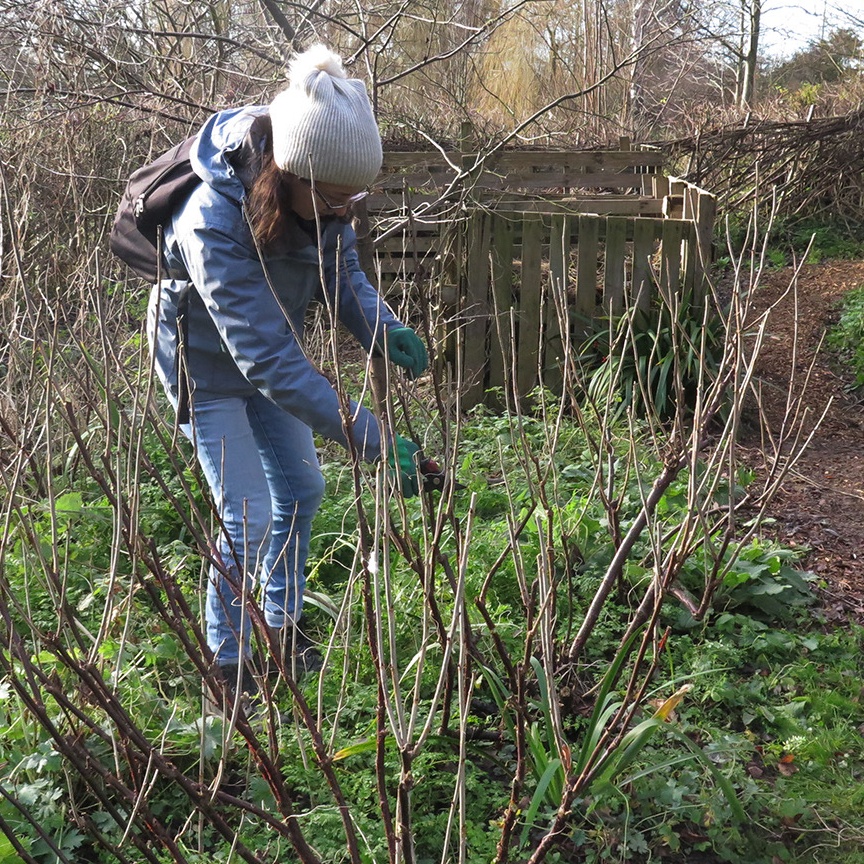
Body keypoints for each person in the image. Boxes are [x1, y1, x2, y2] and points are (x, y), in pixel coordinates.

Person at [146, 43, 427, 700]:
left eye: (353, 197)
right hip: (207, 373)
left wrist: (384, 328)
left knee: (301, 491)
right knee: (249, 517)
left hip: (266, 367)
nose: (346, 209)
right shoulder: (211, 219)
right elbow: (268, 359)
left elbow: (343, 274)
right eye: (334, 197)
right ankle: (231, 661)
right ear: (290, 174)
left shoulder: (321, 200)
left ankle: (280, 623)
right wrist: (373, 439)